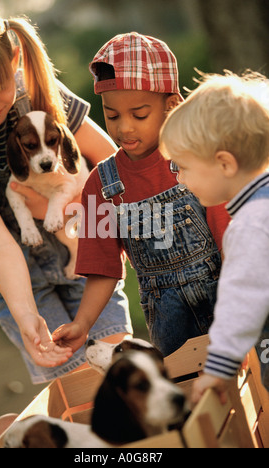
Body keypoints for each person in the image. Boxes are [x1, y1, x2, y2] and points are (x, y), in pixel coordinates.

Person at [0, 2, 132, 384]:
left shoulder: (38, 90)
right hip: (12, 273)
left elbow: (109, 159)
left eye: (0, 85)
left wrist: (109, 230)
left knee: (121, 365)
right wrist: (26, 316)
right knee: (73, 379)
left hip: (76, 244)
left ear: (15, 59)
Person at [53, 32, 229, 357]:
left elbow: (228, 237)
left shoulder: (197, 159)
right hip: (168, 321)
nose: (124, 128)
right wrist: (82, 323)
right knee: (182, 392)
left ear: (172, 105)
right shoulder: (100, 185)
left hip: (227, 300)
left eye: (139, 114)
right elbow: (103, 268)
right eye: (112, 115)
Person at [159, 70, 269, 403]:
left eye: (184, 167)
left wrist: (218, 369)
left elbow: (241, 300)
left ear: (224, 163)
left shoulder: (251, 225)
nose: (180, 180)